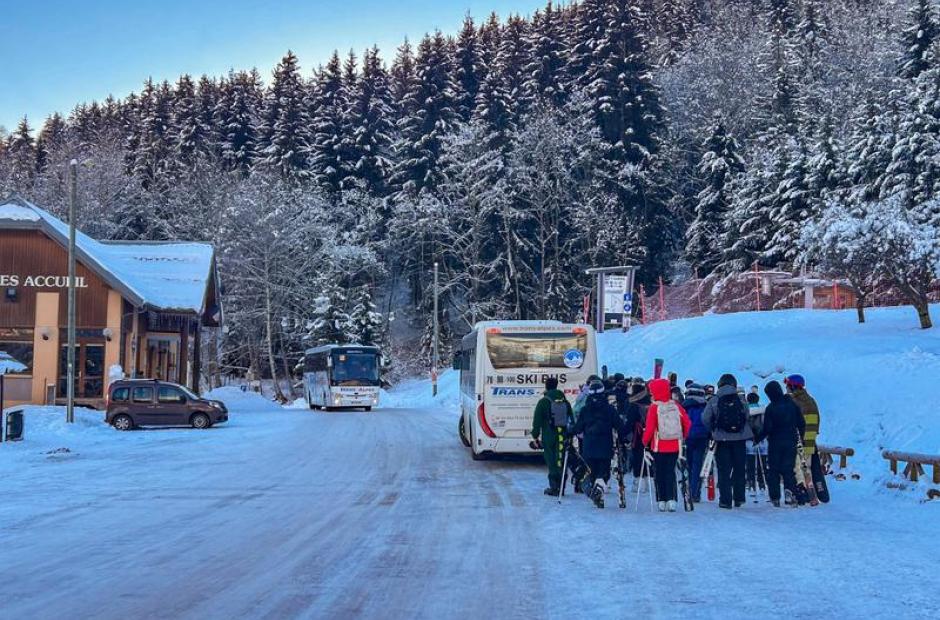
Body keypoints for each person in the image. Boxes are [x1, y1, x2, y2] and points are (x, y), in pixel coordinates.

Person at [702, 373, 753, 509]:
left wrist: (713, 429)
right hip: (740, 439)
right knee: (739, 469)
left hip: (721, 440)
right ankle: (739, 498)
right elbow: (747, 415)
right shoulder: (741, 399)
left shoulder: (714, 400)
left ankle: (725, 500)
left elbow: (705, 418)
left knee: (724, 470)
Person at [569, 379, 619, 508]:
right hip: (605, 447)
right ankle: (600, 490)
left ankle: (597, 495)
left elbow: (578, 428)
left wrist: (568, 433)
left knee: (592, 473)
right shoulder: (609, 409)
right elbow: (620, 426)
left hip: (589, 447)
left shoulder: (585, 410)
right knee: (604, 473)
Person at [642, 378, 691, 511]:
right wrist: (682, 437)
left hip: (658, 446)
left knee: (659, 473)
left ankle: (661, 500)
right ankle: (672, 499)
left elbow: (650, 428)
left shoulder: (654, 408)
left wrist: (645, 442)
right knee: (670, 472)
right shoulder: (676, 406)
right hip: (675, 445)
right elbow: (687, 423)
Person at [754, 381, 805, 506]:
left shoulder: (771, 408)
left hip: (775, 442)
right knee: (788, 469)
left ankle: (775, 497)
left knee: (773, 470)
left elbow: (767, 429)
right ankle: (790, 493)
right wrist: (801, 438)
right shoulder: (792, 405)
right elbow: (801, 423)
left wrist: (757, 439)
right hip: (790, 441)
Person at [530, 377, 572, 496]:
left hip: (549, 435)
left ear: (546, 386)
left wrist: (535, 435)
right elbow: (571, 417)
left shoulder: (543, 401)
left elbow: (537, 420)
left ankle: (554, 487)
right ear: (556, 386)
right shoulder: (564, 401)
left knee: (551, 460)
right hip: (562, 435)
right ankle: (562, 486)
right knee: (560, 459)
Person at [785, 374, 820, 495]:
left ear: (793, 386)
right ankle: (811, 491)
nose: (786, 387)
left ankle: (804, 493)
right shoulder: (810, 400)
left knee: (798, 469)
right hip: (810, 439)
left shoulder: (794, 401)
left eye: (787, 385)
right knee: (807, 468)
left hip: (799, 440)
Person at [681, 383, 709, 502]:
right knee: (698, 464)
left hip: (688, 437)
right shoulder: (705, 405)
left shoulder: (684, 405)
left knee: (689, 463)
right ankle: (695, 491)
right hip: (702, 437)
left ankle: (689, 489)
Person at [625, 378, 652, 492]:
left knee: (637, 458)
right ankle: (648, 482)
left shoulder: (633, 404)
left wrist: (625, 434)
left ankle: (638, 483)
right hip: (650, 433)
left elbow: (629, 422)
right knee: (649, 457)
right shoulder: (650, 401)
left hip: (638, 434)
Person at [745, 391, 769, 494]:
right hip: (762, 440)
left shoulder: (746, 410)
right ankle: (762, 483)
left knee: (750, 463)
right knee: (762, 463)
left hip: (749, 440)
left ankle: (751, 483)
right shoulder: (763, 410)